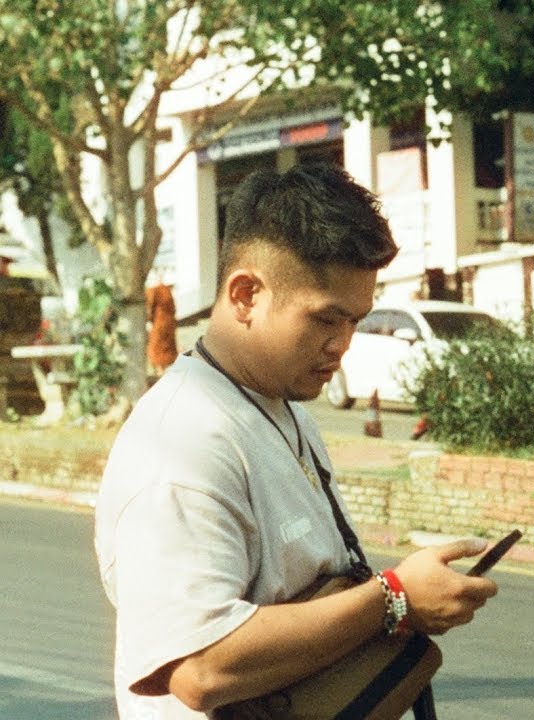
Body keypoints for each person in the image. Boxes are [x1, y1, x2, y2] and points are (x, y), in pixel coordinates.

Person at [94, 163, 499, 719]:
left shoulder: (280, 404)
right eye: (325, 319)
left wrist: (394, 599)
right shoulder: (183, 445)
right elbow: (200, 669)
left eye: (355, 320)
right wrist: (393, 598)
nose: (343, 345)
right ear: (246, 294)